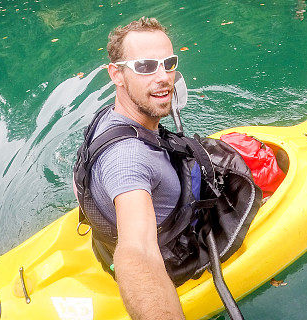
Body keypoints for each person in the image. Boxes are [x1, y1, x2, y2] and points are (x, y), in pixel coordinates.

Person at [73, 18, 260, 320]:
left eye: (168, 63)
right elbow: (138, 252)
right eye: (146, 66)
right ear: (117, 75)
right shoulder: (126, 161)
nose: (163, 78)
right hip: (172, 254)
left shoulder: (108, 119)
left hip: (106, 244)